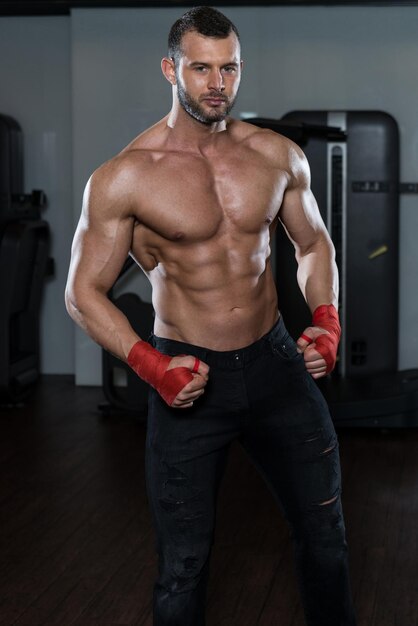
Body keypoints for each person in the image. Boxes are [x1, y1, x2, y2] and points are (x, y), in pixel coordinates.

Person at [65, 6, 357, 625]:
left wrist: (326, 321)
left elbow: (314, 245)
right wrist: (150, 364)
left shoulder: (276, 156)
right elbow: (82, 292)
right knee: (183, 566)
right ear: (171, 69)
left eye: (229, 69)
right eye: (202, 68)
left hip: (277, 366)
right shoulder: (124, 178)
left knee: (327, 537)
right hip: (188, 380)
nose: (217, 83)